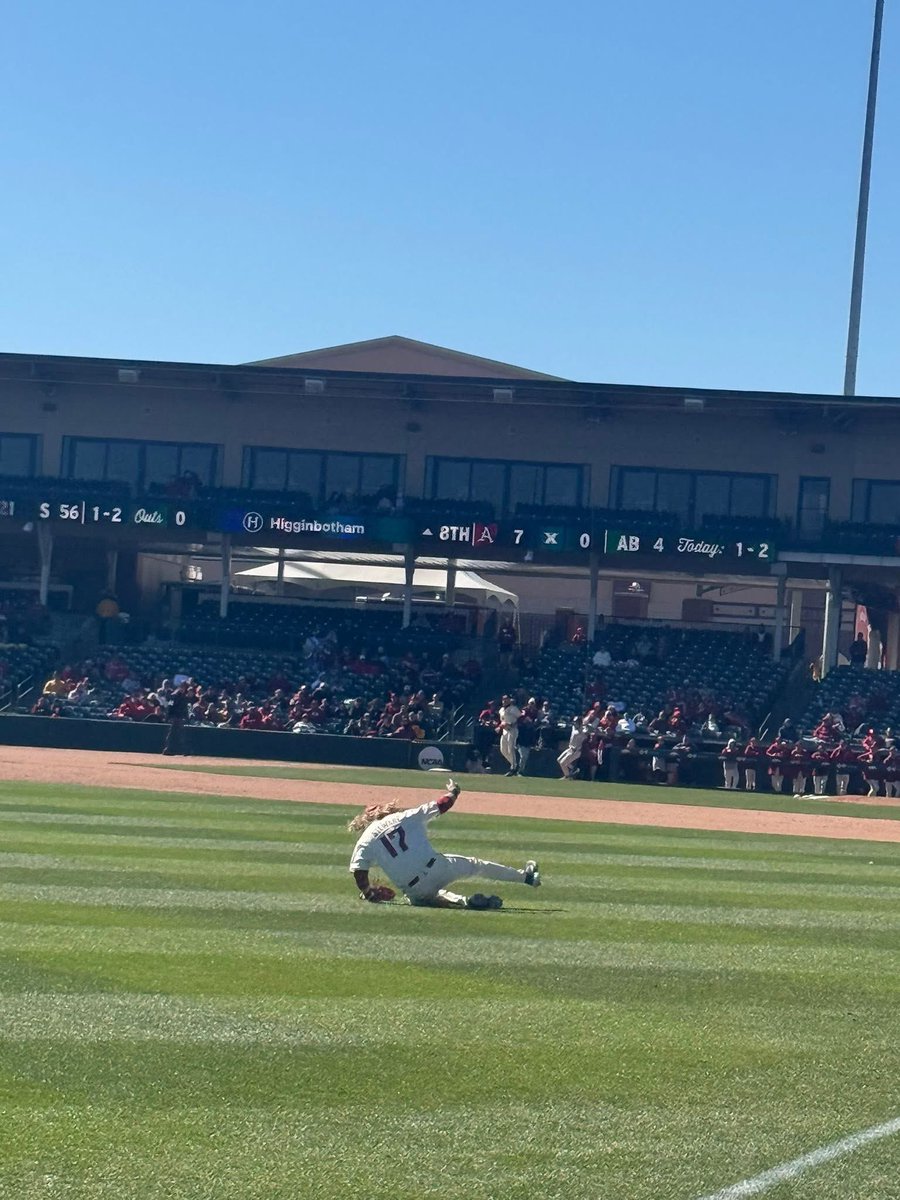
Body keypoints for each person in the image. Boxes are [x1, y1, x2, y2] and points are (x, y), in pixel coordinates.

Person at [347, 779, 541, 909]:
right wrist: (454, 791)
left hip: (414, 888)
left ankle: (464, 901)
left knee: (426, 898)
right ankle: (527, 878)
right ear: (384, 811)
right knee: (476, 866)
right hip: (438, 867)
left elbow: (359, 871)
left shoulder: (365, 839)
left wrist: (368, 892)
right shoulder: (403, 817)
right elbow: (442, 804)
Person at [162, 681, 190, 755]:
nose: (183, 688)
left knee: (181, 734)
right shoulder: (174, 695)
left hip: (180, 717)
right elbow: (170, 706)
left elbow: (185, 708)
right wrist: (169, 717)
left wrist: (186, 717)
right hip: (175, 717)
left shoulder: (184, 696)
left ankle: (184, 750)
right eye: (183, 686)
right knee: (172, 734)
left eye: (185, 687)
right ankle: (168, 749)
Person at [498, 695, 521, 776]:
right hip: (505, 730)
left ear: (509, 700)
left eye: (506, 699)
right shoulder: (501, 710)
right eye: (503, 699)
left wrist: (512, 724)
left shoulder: (513, 708)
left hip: (512, 730)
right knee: (503, 749)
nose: (504, 701)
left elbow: (520, 718)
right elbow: (502, 721)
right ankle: (514, 765)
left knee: (510, 748)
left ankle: (513, 768)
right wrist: (499, 726)